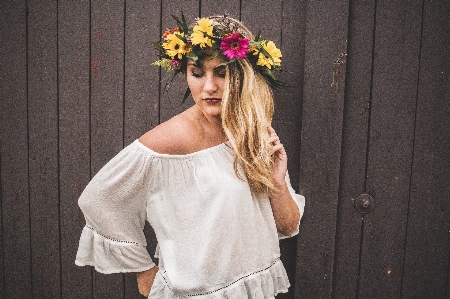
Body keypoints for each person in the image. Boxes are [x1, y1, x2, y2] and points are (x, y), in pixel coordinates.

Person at [75, 13, 305, 298]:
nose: (209, 86)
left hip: (251, 288)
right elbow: (98, 199)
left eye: (222, 73)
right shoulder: (169, 140)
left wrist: (277, 182)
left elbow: (288, 225)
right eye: (197, 73)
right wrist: (144, 270)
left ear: (243, 74)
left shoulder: (253, 130)